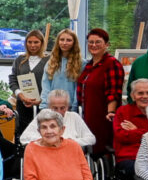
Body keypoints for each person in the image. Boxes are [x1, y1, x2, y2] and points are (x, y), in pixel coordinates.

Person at [76, 28, 124, 156]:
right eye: (91, 42)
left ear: (107, 44)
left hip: (102, 117)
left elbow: (114, 91)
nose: (94, 45)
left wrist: (111, 113)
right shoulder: (89, 65)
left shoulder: (111, 64)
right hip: (87, 116)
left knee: (100, 149)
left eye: (98, 42)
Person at [113, 79, 148, 180]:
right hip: (131, 157)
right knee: (137, 170)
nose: (145, 96)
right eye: (140, 93)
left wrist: (136, 130)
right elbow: (121, 136)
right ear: (133, 96)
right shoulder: (123, 111)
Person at [19, 89, 96, 148]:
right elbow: (24, 138)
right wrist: (47, 140)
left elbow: (91, 139)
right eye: (55, 108)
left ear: (67, 107)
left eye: (62, 108)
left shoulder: (74, 117)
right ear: (49, 107)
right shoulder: (43, 116)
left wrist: (67, 142)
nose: (59, 112)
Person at [8, 29, 47, 139]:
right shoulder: (20, 59)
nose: (32, 45)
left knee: (42, 132)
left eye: (36, 42)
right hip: (23, 104)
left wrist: (43, 100)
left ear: (42, 43)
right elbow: (13, 79)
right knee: (24, 133)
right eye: (29, 42)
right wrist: (20, 95)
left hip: (42, 104)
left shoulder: (48, 60)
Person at [41, 28, 82, 111]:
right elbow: (46, 86)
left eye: (69, 40)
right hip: (52, 107)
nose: (64, 43)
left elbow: (79, 87)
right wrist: (44, 106)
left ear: (74, 43)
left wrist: (74, 107)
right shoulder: (51, 62)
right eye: (62, 39)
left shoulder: (81, 63)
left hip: (71, 108)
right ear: (58, 42)